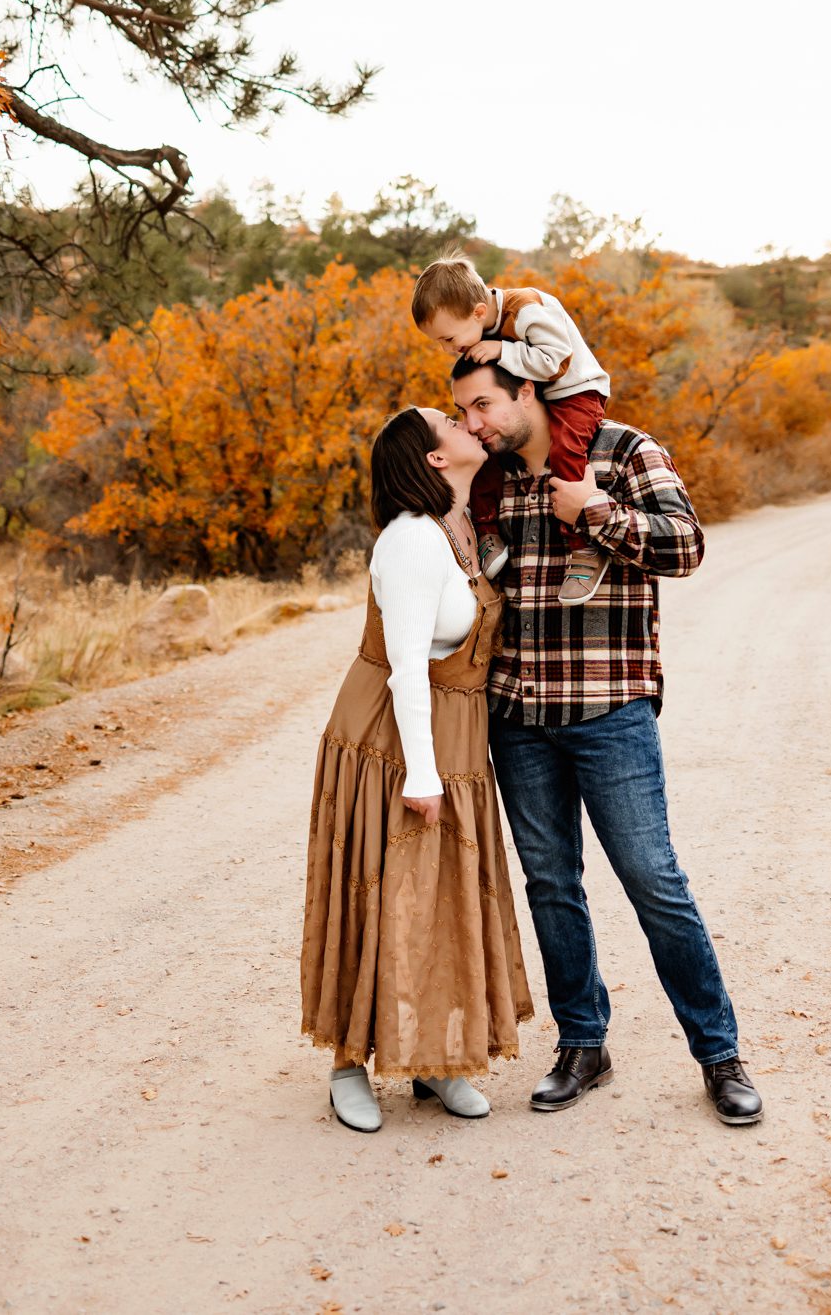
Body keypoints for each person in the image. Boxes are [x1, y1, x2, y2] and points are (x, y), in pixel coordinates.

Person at [449, 356, 763, 1128]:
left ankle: (719, 1054)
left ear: (527, 390)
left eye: (484, 403)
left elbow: (686, 546)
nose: (475, 421)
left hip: (609, 708)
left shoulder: (623, 452)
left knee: (654, 880)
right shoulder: (492, 480)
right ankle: (584, 1042)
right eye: (463, 410)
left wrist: (593, 511)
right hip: (518, 716)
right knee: (551, 883)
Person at [298, 406, 535, 1132]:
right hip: (394, 739)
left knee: (437, 892)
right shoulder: (409, 540)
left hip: (451, 736)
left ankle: (432, 1058)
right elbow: (406, 665)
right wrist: (423, 774)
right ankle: (347, 1061)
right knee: (377, 890)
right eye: (451, 423)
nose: (468, 424)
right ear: (435, 460)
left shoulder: (458, 524)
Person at [411, 258, 612, 606]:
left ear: (477, 312)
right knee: (484, 453)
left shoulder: (526, 309)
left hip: (576, 390)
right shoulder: (479, 324)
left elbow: (557, 361)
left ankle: (584, 549)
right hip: (541, 394)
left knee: (566, 453)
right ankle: (488, 533)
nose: (446, 349)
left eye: (448, 338)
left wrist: (504, 349)